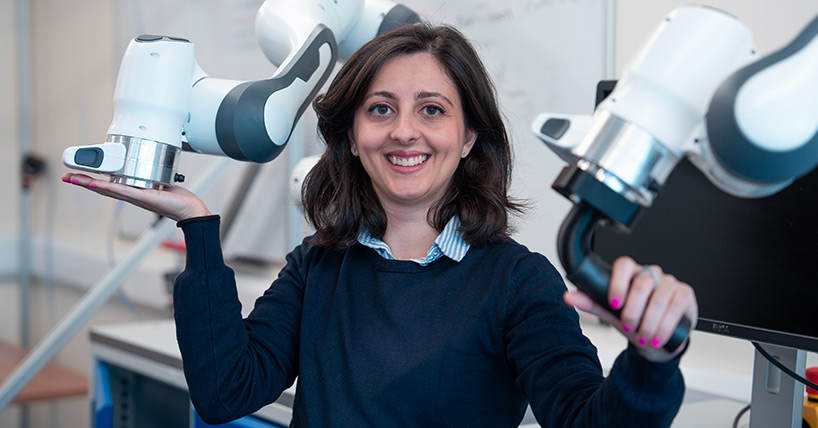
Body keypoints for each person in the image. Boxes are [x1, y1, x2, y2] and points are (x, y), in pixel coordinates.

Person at [63, 22, 698, 427]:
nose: (404, 131)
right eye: (381, 109)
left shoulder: (518, 283)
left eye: (433, 110)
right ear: (352, 135)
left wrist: (651, 361)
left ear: (468, 137)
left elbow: (587, 420)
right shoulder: (318, 264)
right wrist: (199, 227)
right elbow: (226, 391)